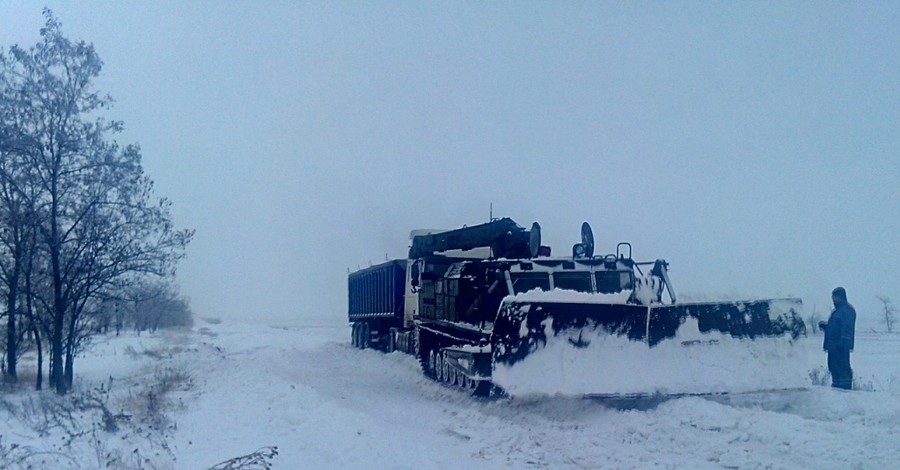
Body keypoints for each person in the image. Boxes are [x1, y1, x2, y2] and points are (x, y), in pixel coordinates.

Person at [818, 287, 857, 390]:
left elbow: (847, 329)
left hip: (840, 347)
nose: (833, 299)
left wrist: (843, 343)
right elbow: (835, 329)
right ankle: (837, 388)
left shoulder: (847, 310)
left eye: (835, 296)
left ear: (841, 297)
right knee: (834, 368)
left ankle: (844, 390)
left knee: (842, 369)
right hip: (833, 346)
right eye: (832, 296)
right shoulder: (837, 311)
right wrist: (826, 327)